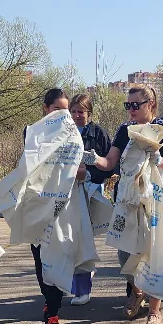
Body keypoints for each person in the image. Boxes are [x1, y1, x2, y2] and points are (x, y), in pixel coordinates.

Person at [83, 84, 163, 324]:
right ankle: (137, 292)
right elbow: (109, 163)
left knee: (152, 255)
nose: (131, 110)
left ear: (150, 104)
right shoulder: (124, 130)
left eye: (135, 105)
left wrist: (159, 160)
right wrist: (90, 157)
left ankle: (155, 312)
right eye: (127, 105)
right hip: (127, 201)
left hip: (154, 202)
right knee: (124, 255)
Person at [30, 88, 73, 324]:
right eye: (57, 109)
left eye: (65, 111)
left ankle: (53, 308)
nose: (62, 115)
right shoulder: (33, 133)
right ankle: (51, 308)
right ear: (46, 109)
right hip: (38, 206)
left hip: (63, 207)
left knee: (59, 254)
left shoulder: (72, 136)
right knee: (41, 257)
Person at [68, 93, 112, 306]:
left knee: (84, 237)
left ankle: (82, 287)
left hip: (91, 190)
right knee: (72, 239)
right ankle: (78, 283)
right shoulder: (63, 133)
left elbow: (111, 165)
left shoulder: (99, 133)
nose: (77, 115)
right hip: (67, 192)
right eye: (73, 111)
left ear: (89, 113)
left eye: (81, 112)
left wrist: (91, 175)